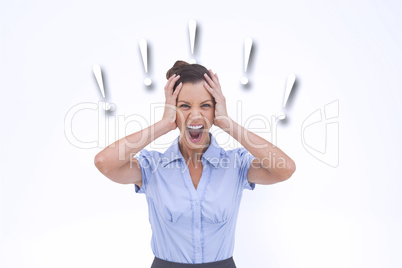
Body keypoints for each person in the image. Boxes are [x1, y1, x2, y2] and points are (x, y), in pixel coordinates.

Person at [94, 60, 296, 267]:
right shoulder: (152, 167)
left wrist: (227, 123)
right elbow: (104, 163)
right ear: (172, 109)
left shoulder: (236, 164)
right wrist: (164, 124)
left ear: (216, 109)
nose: (196, 115)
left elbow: (285, 168)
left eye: (206, 105)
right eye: (184, 106)